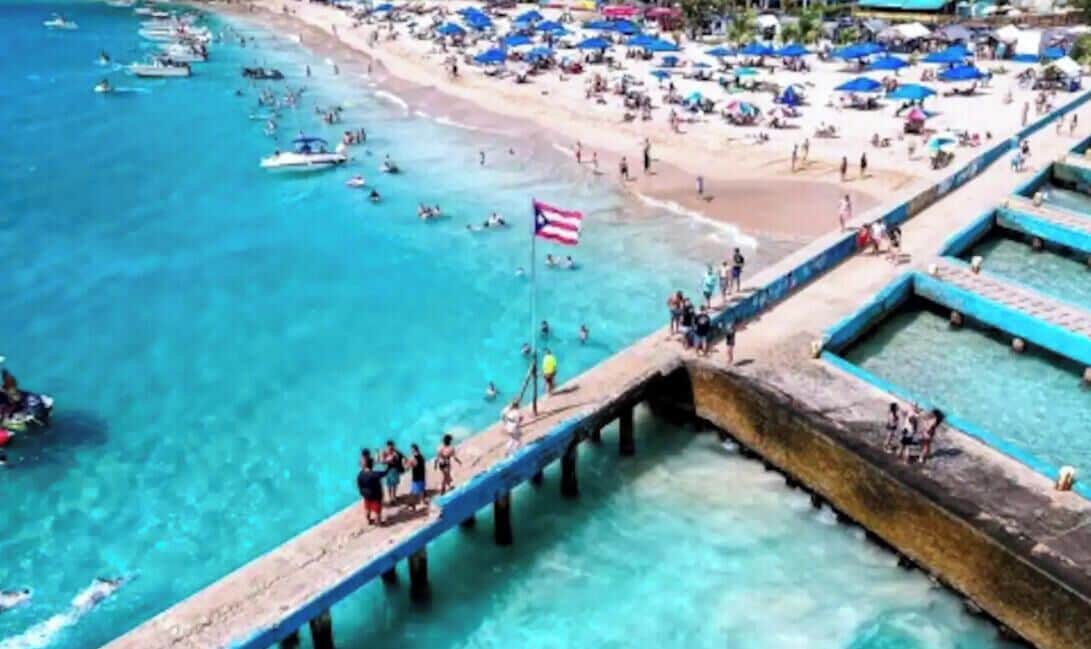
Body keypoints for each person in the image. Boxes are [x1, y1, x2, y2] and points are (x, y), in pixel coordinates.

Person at [357, 455, 390, 525]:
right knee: (377, 510)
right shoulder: (374, 474)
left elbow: (359, 485)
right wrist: (388, 466)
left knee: (367, 509)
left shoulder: (360, 474)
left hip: (366, 495)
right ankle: (379, 522)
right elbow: (384, 473)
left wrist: (362, 492)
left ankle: (369, 520)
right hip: (375, 496)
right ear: (371, 465)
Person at [405, 443, 428, 510]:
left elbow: (407, 467)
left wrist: (404, 462)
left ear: (413, 450)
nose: (411, 451)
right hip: (422, 476)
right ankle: (422, 502)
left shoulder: (413, 458)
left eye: (411, 450)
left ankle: (412, 505)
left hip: (416, 477)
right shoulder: (422, 456)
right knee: (421, 491)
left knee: (414, 492)